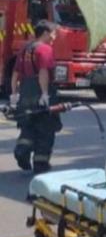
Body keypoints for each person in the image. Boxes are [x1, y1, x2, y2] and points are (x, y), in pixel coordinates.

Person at [11, 24, 62, 174]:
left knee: (28, 125)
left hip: (26, 93)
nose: (54, 37)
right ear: (46, 32)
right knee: (46, 130)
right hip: (40, 93)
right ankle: (41, 164)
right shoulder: (45, 49)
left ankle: (22, 150)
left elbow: (15, 73)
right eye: (53, 34)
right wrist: (45, 94)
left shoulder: (25, 49)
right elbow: (43, 72)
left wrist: (14, 95)